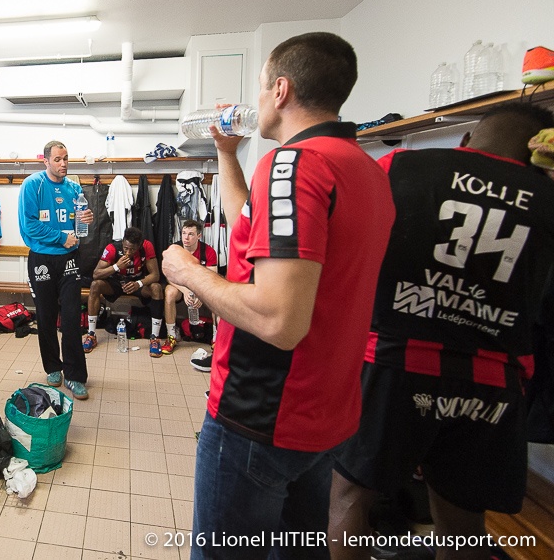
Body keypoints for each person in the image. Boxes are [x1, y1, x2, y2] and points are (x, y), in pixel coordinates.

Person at [161, 33, 395, 557]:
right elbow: (252, 223)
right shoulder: (365, 170)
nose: (259, 98)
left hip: (261, 415)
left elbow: (278, 320)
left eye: (262, 86)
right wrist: (227, 153)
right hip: (327, 412)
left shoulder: (293, 164)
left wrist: (188, 271)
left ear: (281, 89)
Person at [329, 103, 554, 560]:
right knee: (461, 520)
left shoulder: (401, 165)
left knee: (352, 495)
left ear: (467, 141)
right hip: (493, 378)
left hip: (396, 358)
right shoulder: (546, 196)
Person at [18, 140, 94, 400]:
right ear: (46, 161)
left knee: (72, 317)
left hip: (70, 258)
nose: (63, 164)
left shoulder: (74, 187)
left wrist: (86, 219)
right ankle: (53, 367)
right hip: (42, 258)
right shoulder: (33, 185)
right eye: (58, 159)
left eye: (66, 159)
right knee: (46, 316)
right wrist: (61, 237)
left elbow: (79, 220)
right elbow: (29, 226)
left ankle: (75, 376)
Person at [86, 226, 164, 357]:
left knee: (156, 288)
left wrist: (138, 283)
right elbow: (96, 274)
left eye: (132, 249)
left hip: (138, 283)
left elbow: (155, 275)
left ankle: (154, 338)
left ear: (139, 246)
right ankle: (91, 335)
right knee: (95, 285)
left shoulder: (146, 246)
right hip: (116, 283)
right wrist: (117, 266)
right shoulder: (112, 248)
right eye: (126, 248)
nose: (128, 252)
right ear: (123, 242)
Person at [162, 219, 217, 357]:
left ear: (199, 236)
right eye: (184, 233)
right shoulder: (175, 249)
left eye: (191, 234)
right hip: (181, 287)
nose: (186, 237)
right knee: (169, 292)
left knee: (217, 296)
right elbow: (169, 277)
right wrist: (185, 291)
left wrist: (199, 293)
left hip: (202, 287)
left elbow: (212, 278)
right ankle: (171, 336)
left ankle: (217, 338)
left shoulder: (208, 251)